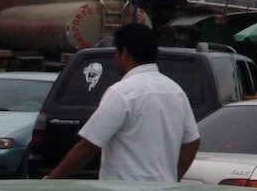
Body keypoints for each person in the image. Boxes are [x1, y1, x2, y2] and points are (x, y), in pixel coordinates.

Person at [46, 22, 200, 181]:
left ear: (124, 52)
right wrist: (173, 177)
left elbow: (88, 147)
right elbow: (192, 142)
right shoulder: (176, 91)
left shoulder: (122, 92)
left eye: (116, 53)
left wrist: (51, 180)